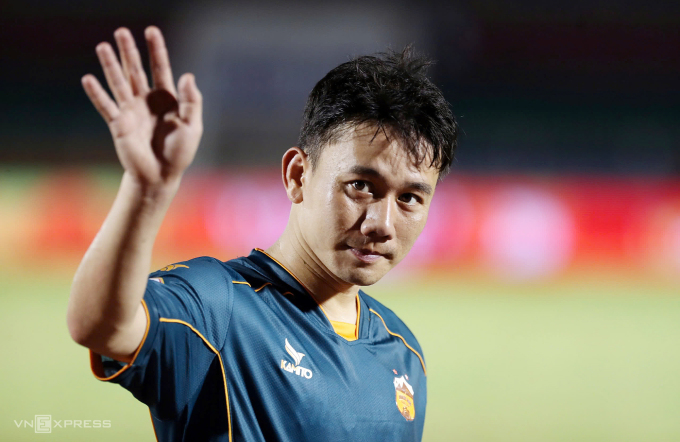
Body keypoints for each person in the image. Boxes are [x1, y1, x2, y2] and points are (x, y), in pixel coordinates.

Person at [67, 26, 458, 442]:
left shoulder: (404, 353)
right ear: (297, 175)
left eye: (410, 198)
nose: (382, 223)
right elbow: (101, 327)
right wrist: (144, 189)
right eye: (361, 186)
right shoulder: (219, 308)